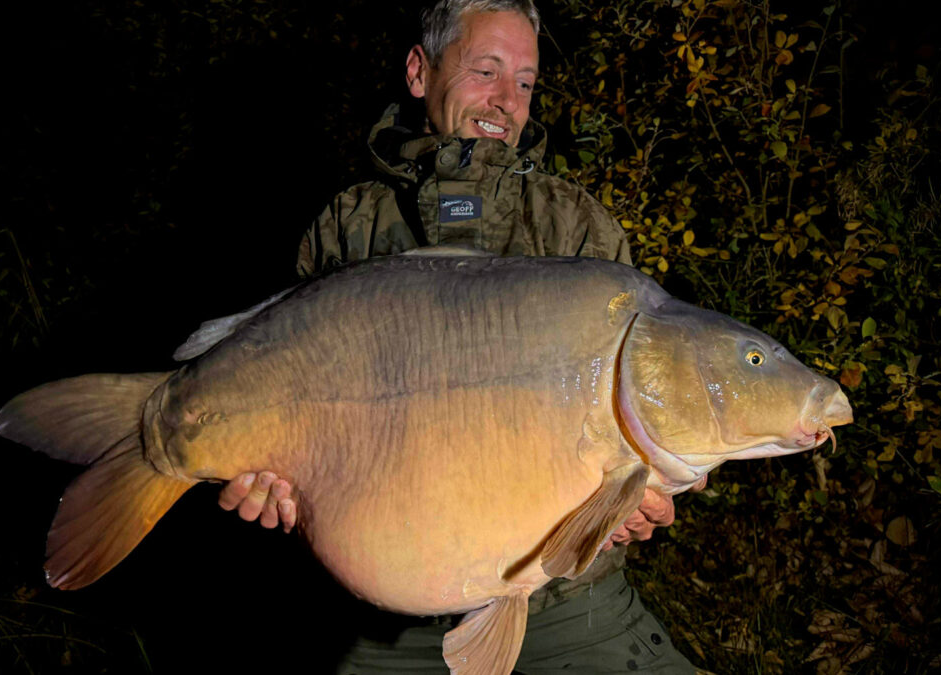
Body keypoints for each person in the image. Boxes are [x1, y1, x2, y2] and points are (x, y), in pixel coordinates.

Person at [219, 1, 701, 672]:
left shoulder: (576, 230)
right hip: (375, 615)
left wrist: (626, 509)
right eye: (486, 71)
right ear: (420, 72)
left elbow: (623, 448)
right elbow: (294, 439)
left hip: (566, 601)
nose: (507, 100)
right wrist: (280, 489)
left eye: (526, 82)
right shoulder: (346, 228)